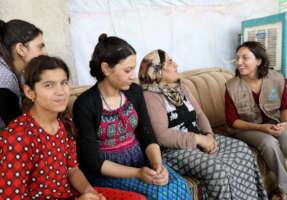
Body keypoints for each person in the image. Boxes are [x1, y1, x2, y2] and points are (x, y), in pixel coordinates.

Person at [0, 55, 146, 200]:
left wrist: (90, 192)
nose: (61, 91)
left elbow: (72, 169)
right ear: (29, 92)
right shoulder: (17, 137)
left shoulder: (64, 122)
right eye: (49, 85)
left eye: (64, 83)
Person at [73, 33, 191, 200]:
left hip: (140, 161)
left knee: (179, 186)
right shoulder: (85, 104)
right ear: (106, 68)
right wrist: (137, 173)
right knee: (161, 194)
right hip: (108, 173)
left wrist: (158, 166)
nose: (133, 76)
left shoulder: (134, 92)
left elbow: (147, 134)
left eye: (133, 69)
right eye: (127, 70)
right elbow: (91, 161)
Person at [139, 49, 268, 200]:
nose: (176, 65)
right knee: (216, 169)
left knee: (242, 150)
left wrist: (209, 135)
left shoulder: (180, 88)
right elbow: (162, 136)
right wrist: (200, 140)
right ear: (157, 71)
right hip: (173, 151)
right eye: (169, 62)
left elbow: (200, 115)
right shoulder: (150, 96)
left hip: (199, 139)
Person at [225, 41, 287, 200]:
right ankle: (284, 189)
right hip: (245, 128)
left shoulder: (276, 79)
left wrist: (285, 124)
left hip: (273, 124)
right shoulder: (231, 86)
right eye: (237, 58)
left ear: (258, 61)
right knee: (269, 143)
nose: (239, 62)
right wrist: (262, 128)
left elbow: (286, 107)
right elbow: (232, 121)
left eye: (245, 58)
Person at [0, 19, 48, 132]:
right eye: (40, 47)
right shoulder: (4, 81)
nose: (45, 53)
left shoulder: (20, 73)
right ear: (21, 49)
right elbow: (17, 132)